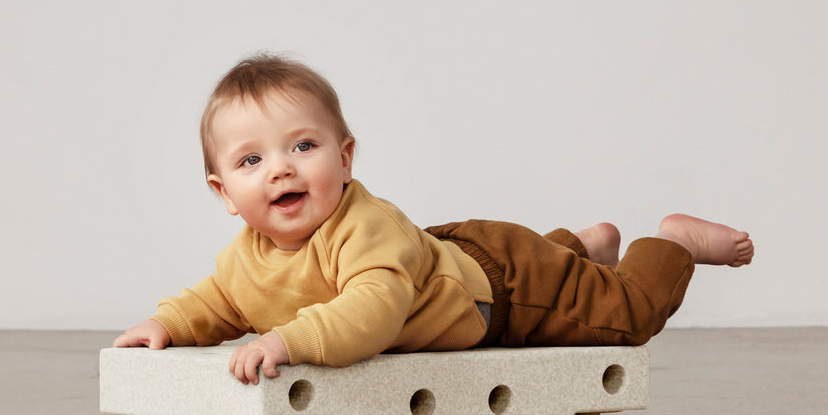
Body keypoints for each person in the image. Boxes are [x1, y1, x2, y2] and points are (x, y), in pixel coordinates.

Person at [114, 54, 754, 386]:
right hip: (444, 259)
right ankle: (582, 247)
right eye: (252, 160)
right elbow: (219, 299)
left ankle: (669, 244)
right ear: (225, 192)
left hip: (502, 290)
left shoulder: (362, 230)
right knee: (542, 265)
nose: (281, 169)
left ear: (345, 157)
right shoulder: (247, 256)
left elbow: (373, 311)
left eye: (302, 146)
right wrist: (166, 324)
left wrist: (287, 342)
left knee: (623, 316)